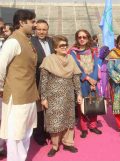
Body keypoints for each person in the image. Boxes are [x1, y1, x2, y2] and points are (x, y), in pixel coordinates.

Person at [0, 9, 39, 161]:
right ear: (22, 22)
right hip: (16, 96)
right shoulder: (13, 41)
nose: (34, 24)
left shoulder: (27, 40)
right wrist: (1, 87)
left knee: (26, 131)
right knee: (15, 133)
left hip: (29, 94)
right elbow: (1, 65)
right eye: (32, 21)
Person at [39, 35, 82, 157]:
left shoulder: (71, 59)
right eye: (61, 46)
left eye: (65, 45)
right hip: (53, 96)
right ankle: (55, 146)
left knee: (69, 120)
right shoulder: (48, 60)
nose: (64, 47)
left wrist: (79, 94)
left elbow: (76, 78)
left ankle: (68, 143)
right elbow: (43, 81)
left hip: (68, 95)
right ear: (55, 48)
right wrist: (44, 98)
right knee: (55, 122)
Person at [70, 29, 102, 138]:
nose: (82, 39)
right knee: (82, 105)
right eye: (80, 37)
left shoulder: (93, 51)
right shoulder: (73, 52)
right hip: (81, 81)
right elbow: (76, 67)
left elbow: (96, 65)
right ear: (77, 38)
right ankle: (84, 128)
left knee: (93, 103)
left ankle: (93, 125)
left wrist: (94, 81)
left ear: (88, 38)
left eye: (84, 37)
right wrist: (87, 78)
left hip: (93, 81)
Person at [31, 19, 54, 146]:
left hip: (51, 80)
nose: (41, 31)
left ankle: (48, 130)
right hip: (37, 80)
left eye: (44, 29)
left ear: (47, 30)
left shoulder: (51, 41)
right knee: (39, 109)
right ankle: (38, 134)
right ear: (35, 30)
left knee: (49, 107)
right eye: (39, 29)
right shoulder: (30, 42)